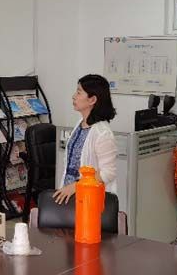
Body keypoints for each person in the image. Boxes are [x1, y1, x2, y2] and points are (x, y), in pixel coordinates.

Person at [34, 74, 118, 226]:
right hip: (69, 194)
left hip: (88, 197)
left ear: (92, 100)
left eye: (79, 92)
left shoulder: (102, 133)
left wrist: (76, 186)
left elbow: (108, 172)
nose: (74, 96)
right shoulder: (81, 123)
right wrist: (69, 188)